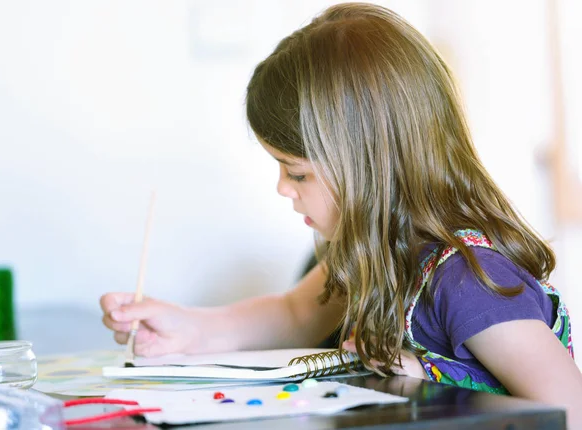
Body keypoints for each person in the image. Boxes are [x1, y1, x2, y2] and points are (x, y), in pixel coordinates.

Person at [101, 2, 582, 423]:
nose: (282, 188)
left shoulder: (467, 283)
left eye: (298, 173)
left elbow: (569, 411)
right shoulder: (377, 252)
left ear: (371, 163)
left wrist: (437, 379)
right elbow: (294, 313)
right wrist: (186, 327)